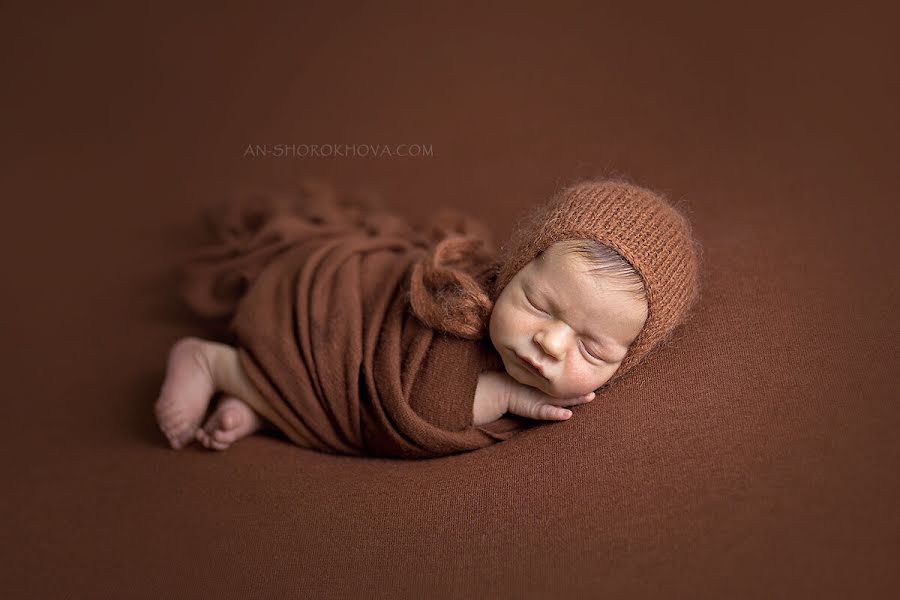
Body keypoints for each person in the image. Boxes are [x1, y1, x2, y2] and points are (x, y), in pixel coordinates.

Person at [155, 177, 700, 456]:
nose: (550, 344)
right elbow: (411, 403)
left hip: (338, 381)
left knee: (317, 394)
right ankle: (217, 365)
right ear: (513, 269)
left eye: (592, 349)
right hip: (335, 312)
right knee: (318, 363)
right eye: (537, 305)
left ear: (629, 360)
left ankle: (270, 405)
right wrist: (506, 397)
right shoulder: (457, 301)